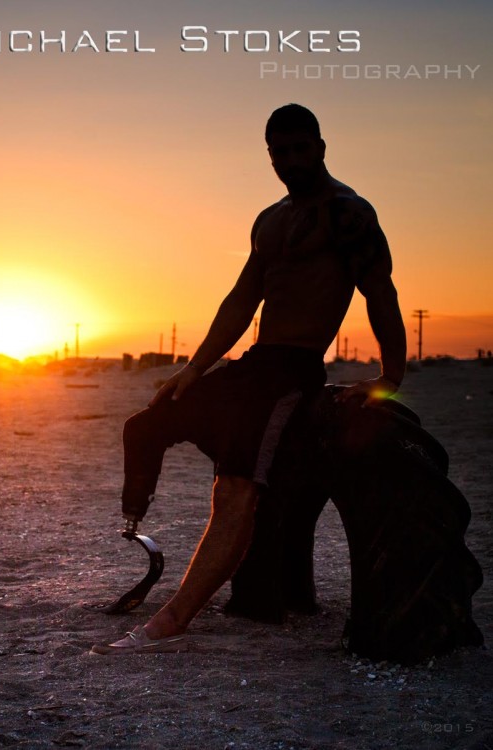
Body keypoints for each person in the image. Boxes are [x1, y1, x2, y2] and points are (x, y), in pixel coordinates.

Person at [90, 103, 407, 655]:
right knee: (147, 423)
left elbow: (380, 291)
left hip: (292, 370)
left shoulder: (348, 213)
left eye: (299, 149)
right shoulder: (271, 219)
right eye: (278, 152)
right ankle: (134, 525)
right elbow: (241, 300)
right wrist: (194, 370)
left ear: (321, 147)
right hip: (254, 365)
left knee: (234, 490)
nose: (289, 161)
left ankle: (172, 621)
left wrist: (390, 376)